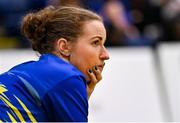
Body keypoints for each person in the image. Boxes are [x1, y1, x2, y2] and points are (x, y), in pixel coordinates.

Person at [0, 6, 109, 122]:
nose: (105, 55)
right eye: (95, 43)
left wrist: (82, 97)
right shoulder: (67, 77)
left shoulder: (21, 72)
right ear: (64, 47)